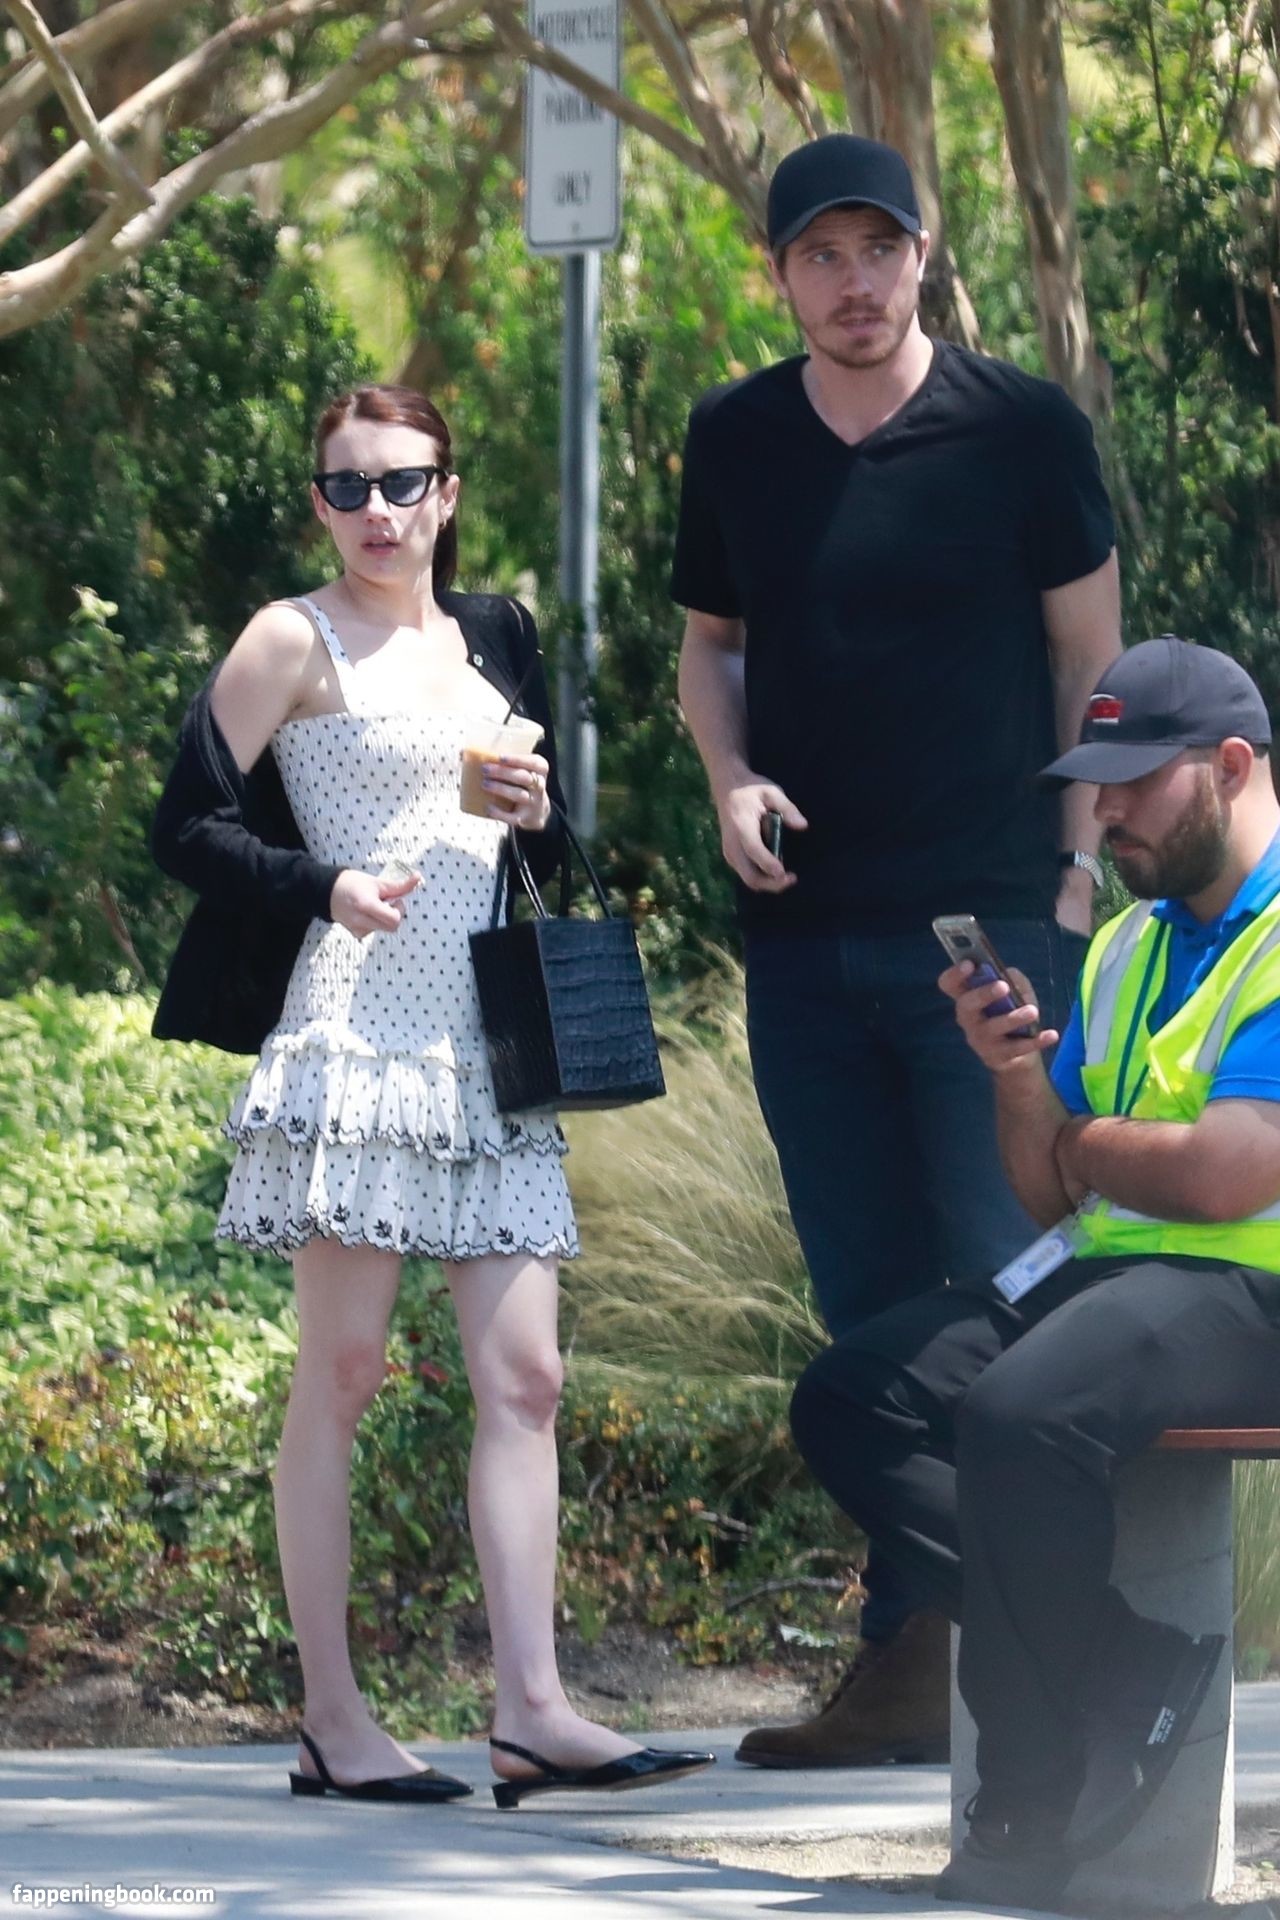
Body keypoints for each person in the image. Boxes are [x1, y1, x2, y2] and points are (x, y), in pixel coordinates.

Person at [151, 383, 712, 1807]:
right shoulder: (292, 638)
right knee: (340, 1375)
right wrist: (320, 883)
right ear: (318, 504)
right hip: (358, 1038)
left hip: (486, 1048)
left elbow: (534, 849)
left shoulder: (496, 635)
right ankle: (333, 1721)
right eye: (346, 487)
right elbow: (183, 823)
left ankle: (533, 1710)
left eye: (402, 483)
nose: (377, 512)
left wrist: (540, 814)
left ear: (446, 494)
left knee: (526, 1377)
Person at [671, 131, 1122, 1766]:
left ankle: (1064, 1662)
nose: (854, 282)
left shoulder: (1021, 429)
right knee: (867, 1312)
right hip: (805, 948)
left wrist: (1075, 877)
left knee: (1009, 1295)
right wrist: (729, 777)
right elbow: (711, 650)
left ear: (925, 256)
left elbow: (1092, 662)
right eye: (822, 254)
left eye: (880, 249)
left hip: (987, 931)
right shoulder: (735, 438)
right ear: (779, 274)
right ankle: (917, 1666)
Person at [789, 635, 1280, 1908]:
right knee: (854, 1395)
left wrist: (1076, 1140)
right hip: (1121, 1278)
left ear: (1231, 767)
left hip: (1254, 1293)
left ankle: (1023, 1815)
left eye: (1131, 780)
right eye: (1092, 785)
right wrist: (1014, 1076)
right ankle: (1123, 1664)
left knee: (1019, 1413)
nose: (1102, 812)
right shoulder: (1123, 944)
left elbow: (1229, 1174)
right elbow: (1044, 1191)